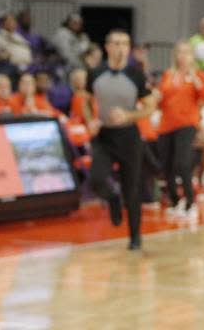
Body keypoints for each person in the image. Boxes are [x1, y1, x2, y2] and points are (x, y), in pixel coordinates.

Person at [89, 30, 157, 250]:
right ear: (107, 47)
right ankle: (112, 199)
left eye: (125, 44)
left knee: (132, 190)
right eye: (116, 44)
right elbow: (84, 100)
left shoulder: (136, 75)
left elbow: (150, 107)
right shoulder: (95, 73)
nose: (121, 48)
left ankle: (135, 238)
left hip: (129, 137)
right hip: (104, 136)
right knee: (96, 179)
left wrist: (129, 115)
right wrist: (91, 119)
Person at [157, 41, 204, 219]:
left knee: (182, 164)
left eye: (186, 53)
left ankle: (190, 203)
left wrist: (197, 82)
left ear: (192, 56)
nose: (182, 56)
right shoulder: (168, 75)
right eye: (179, 53)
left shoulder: (198, 75)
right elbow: (161, 101)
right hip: (166, 125)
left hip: (187, 124)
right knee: (166, 166)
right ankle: (175, 202)